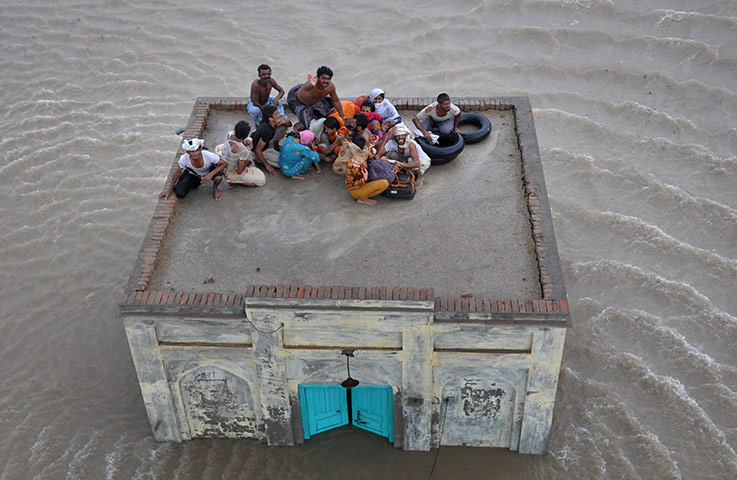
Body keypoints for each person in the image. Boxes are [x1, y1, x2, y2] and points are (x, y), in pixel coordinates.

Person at [160, 138, 227, 201]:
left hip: (208, 171)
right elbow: (177, 172)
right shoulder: (184, 159)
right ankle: (192, 182)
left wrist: (210, 174)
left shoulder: (209, 155)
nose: (195, 154)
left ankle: (215, 188)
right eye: (192, 152)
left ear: (200, 149)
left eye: (196, 150)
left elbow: (224, 163)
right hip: (194, 174)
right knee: (180, 193)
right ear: (187, 152)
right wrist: (169, 190)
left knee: (218, 178)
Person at [376, 123, 431, 187]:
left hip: (422, 161)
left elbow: (417, 163)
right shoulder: (392, 142)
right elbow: (379, 154)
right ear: (394, 136)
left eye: (402, 135)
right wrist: (387, 136)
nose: (400, 137)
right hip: (405, 159)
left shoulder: (411, 143)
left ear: (406, 135)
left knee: (410, 160)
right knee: (391, 154)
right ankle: (405, 169)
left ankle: (420, 176)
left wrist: (401, 164)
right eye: (397, 135)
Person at [216, 120, 266, 188]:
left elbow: (238, 141)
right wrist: (246, 163)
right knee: (261, 180)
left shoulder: (229, 133)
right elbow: (239, 171)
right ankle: (231, 179)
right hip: (231, 168)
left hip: (223, 159)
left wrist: (246, 142)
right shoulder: (243, 150)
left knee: (220, 147)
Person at [344, 136, 389, 205]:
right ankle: (362, 198)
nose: (367, 148)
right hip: (356, 189)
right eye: (365, 148)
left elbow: (373, 155)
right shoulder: (351, 165)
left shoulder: (363, 155)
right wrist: (363, 179)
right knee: (384, 183)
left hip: (366, 179)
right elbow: (349, 185)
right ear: (358, 150)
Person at [250, 105, 284, 175]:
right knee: (283, 164)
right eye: (276, 114)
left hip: (266, 142)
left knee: (283, 127)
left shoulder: (271, 122)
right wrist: (267, 165)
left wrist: (283, 122)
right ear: (271, 119)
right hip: (260, 150)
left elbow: (288, 123)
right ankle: (256, 159)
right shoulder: (267, 131)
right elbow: (258, 150)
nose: (279, 115)